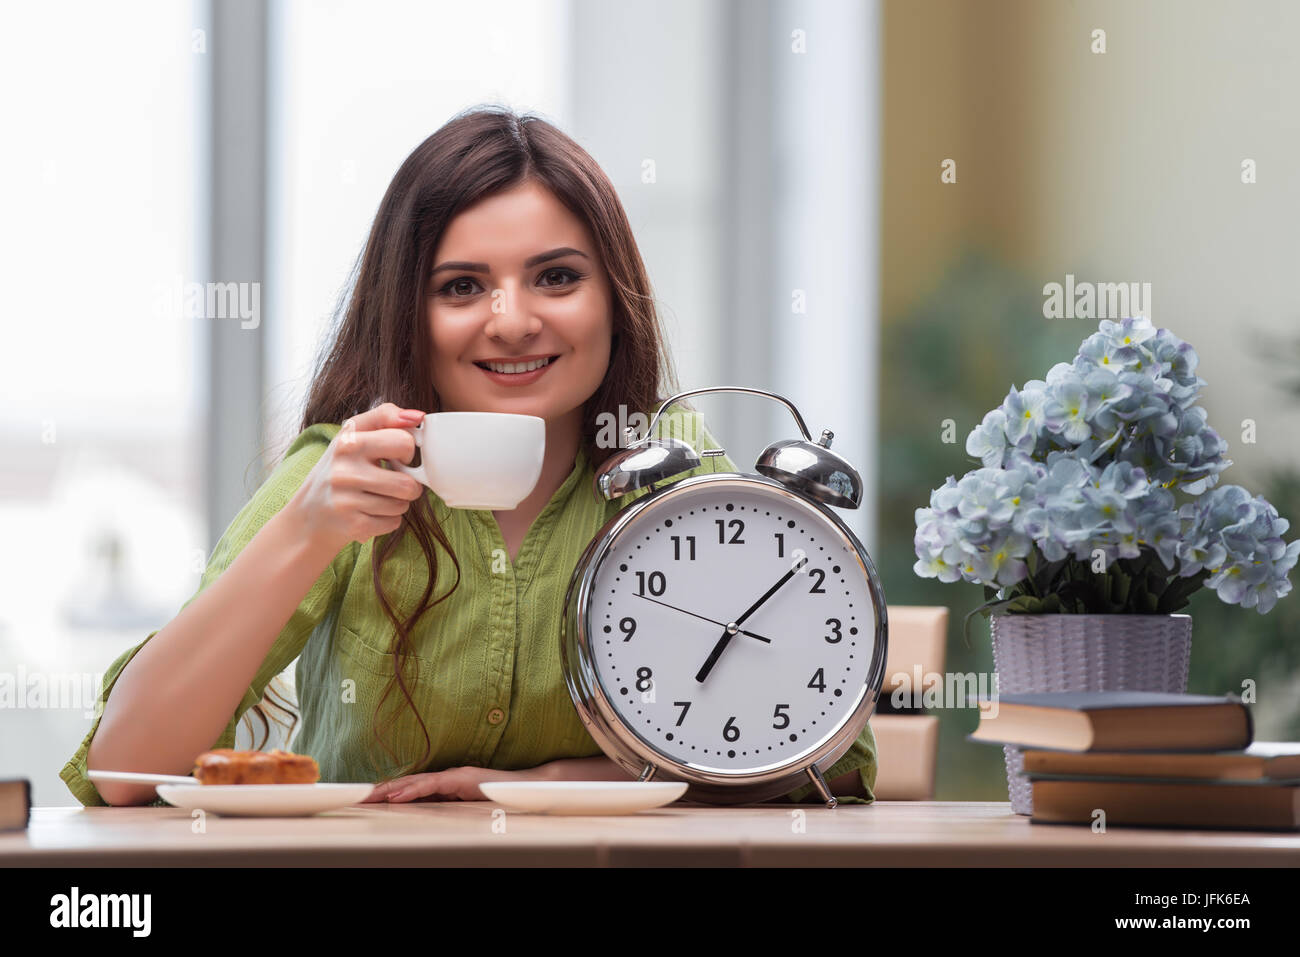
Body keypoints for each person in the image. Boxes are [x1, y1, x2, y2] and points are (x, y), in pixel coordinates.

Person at [61, 105, 877, 808]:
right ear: (406, 312)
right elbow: (126, 769)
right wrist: (306, 529)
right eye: (461, 286)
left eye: (556, 277)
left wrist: (565, 778)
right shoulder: (340, 471)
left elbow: (820, 763)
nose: (513, 320)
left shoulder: (681, 477)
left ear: (614, 301)